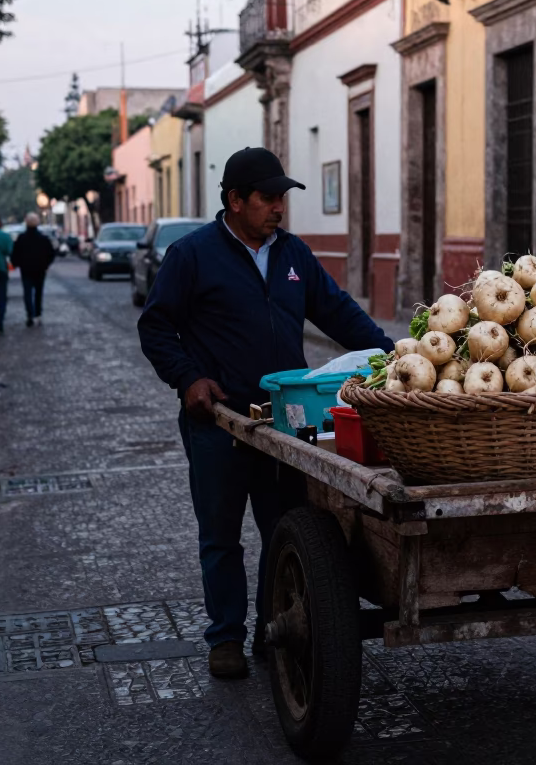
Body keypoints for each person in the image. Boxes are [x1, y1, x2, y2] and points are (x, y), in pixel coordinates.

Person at [138, 147, 393, 680]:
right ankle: (225, 638)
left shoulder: (293, 254)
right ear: (235, 200)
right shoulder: (191, 255)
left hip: (286, 420)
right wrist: (188, 378)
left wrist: (392, 355)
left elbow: (337, 311)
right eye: (268, 198)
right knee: (221, 534)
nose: (279, 207)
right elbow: (156, 326)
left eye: (283, 197)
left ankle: (272, 627)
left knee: (286, 527)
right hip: (220, 422)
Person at [11, 212, 56, 328]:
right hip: (40, 270)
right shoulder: (43, 239)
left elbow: (15, 254)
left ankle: (30, 314)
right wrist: (46, 264)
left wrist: (17, 264)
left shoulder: (21, 238)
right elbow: (51, 254)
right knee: (38, 293)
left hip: (26, 270)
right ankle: (38, 313)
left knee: (27, 293)